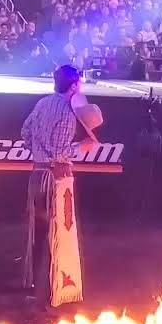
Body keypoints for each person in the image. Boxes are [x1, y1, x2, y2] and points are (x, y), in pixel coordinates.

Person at [20, 65, 99, 311]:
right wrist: (82, 147)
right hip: (55, 177)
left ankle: (37, 284)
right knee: (58, 231)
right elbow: (59, 151)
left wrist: (37, 153)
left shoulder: (43, 103)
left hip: (37, 174)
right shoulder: (66, 113)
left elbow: (25, 132)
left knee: (40, 231)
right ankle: (53, 285)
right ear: (74, 86)